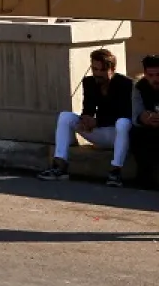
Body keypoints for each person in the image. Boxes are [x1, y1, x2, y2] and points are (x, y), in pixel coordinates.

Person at [39, 48, 135, 187]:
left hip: (117, 134)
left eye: (101, 70)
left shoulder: (126, 84)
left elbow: (126, 112)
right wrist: (86, 119)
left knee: (123, 123)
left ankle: (115, 171)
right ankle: (60, 165)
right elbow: (88, 107)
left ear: (112, 69)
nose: (97, 74)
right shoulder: (89, 82)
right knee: (65, 117)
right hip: (99, 132)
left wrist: (97, 121)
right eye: (94, 69)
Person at [130, 54, 159, 188]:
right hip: (149, 127)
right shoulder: (139, 87)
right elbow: (136, 114)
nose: (155, 79)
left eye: (158, 75)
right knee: (137, 135)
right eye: (150, 75)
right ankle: (144, 178)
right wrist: (143, 118)